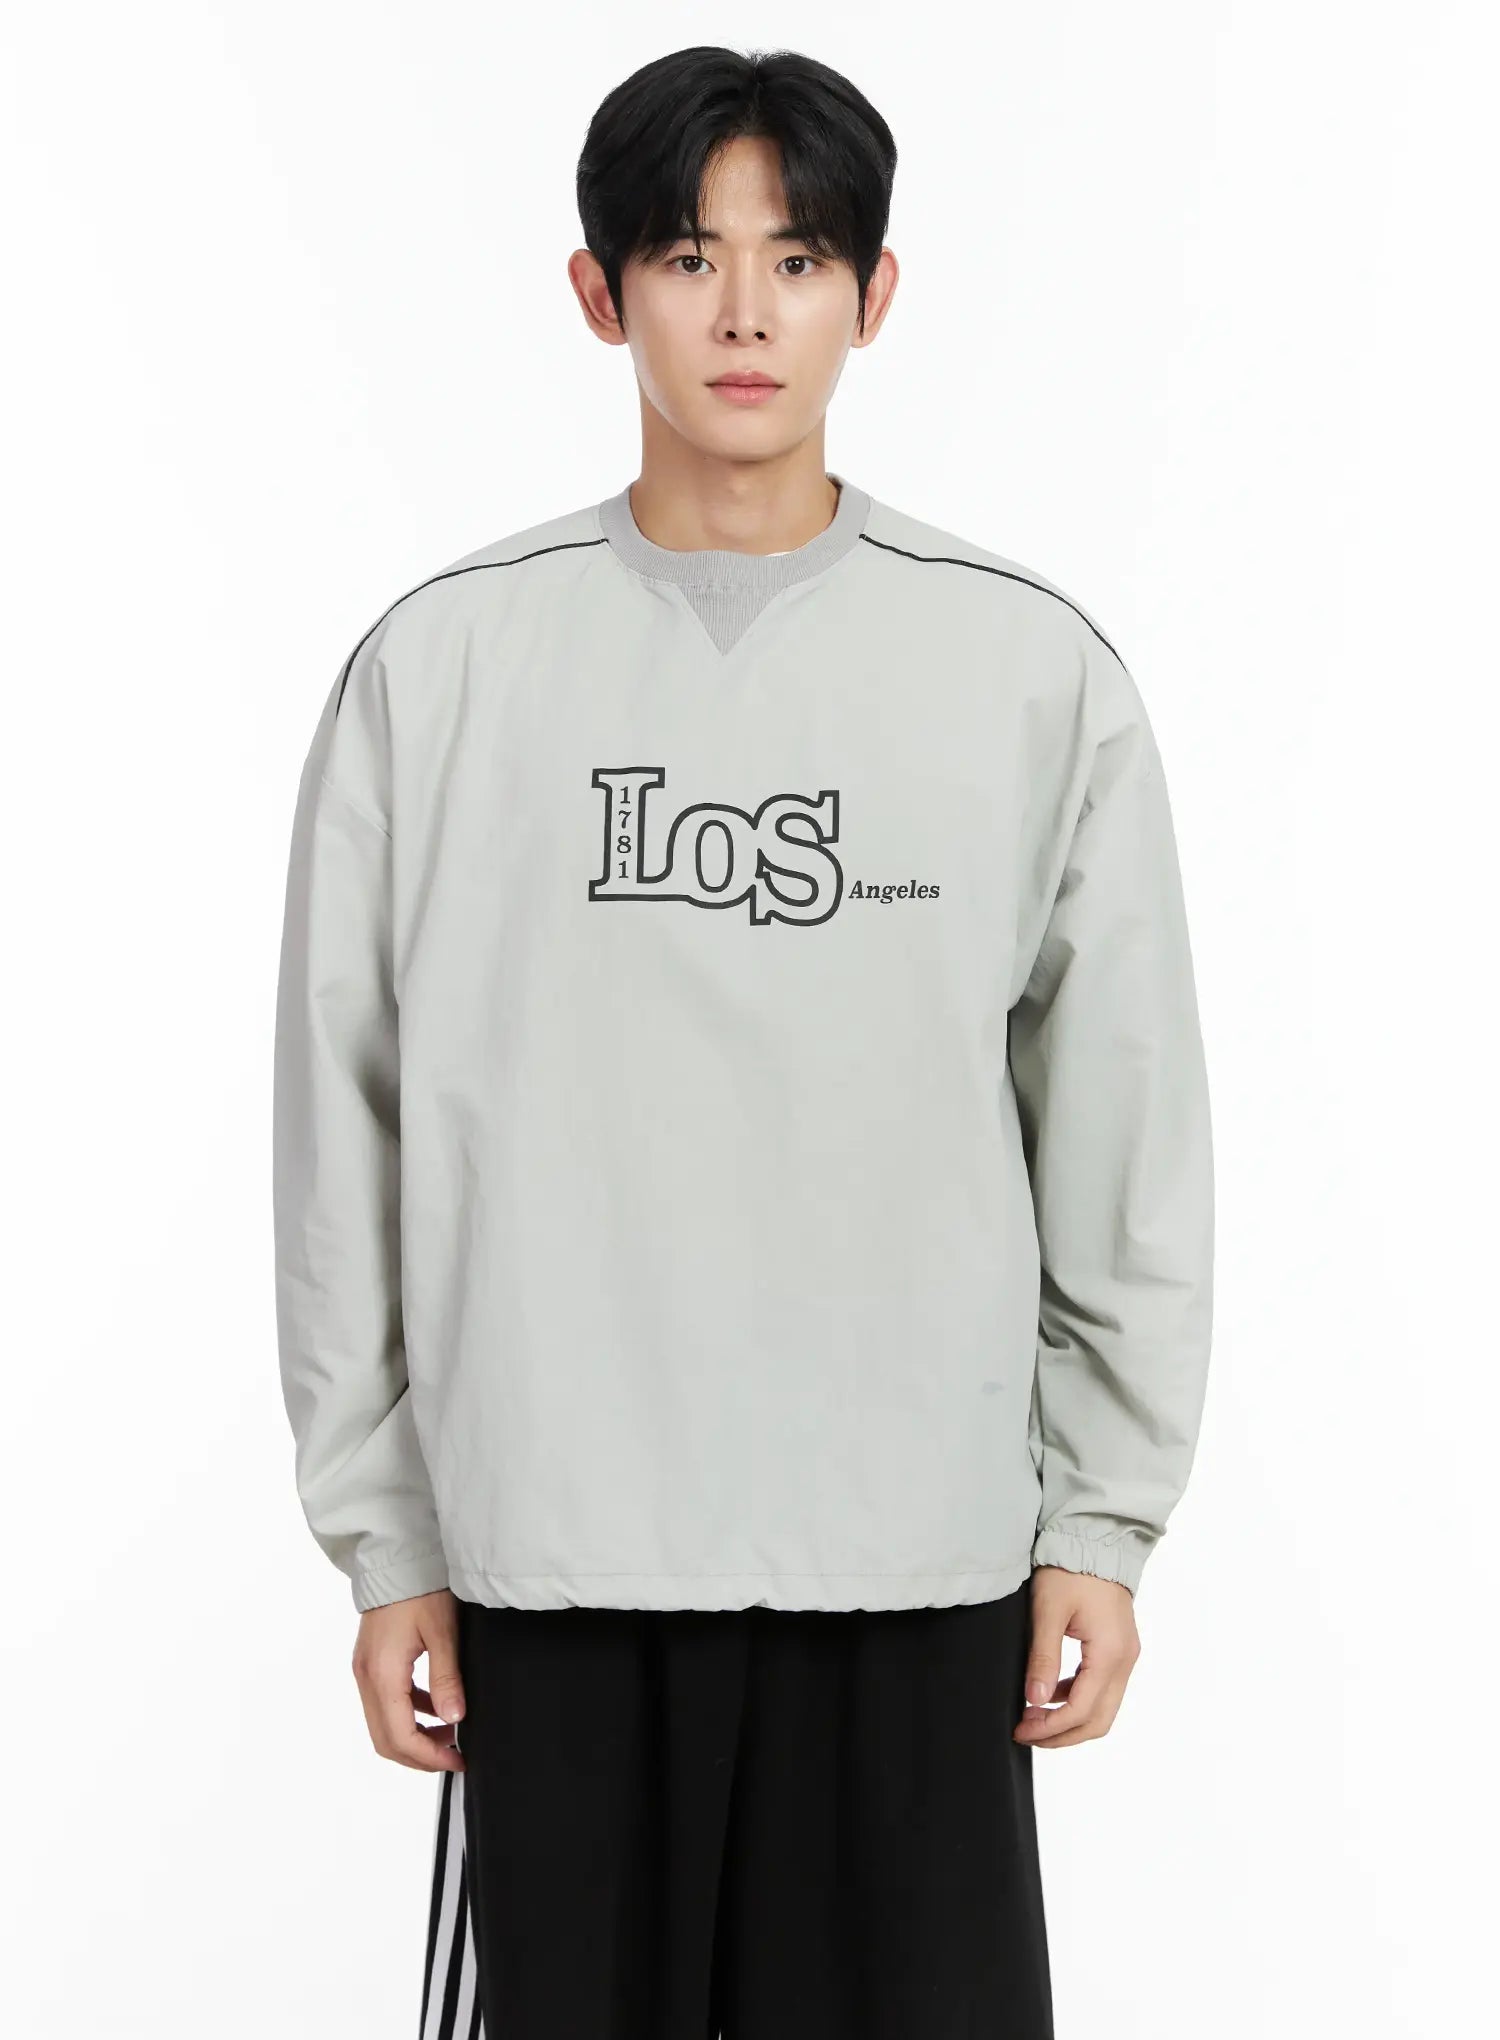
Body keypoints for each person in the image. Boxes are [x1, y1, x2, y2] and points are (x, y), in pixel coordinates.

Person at [272, 43, 1215, 2040]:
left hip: (917, 1559)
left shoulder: (1025, 672)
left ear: (876, 295)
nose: (744, 314)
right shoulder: (442, 672)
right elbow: (341, 1131)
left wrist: (1100, 1517)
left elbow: (1122, 1128)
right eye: (690, 258)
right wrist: (385, 1535)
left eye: (797, 260)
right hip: (553, 1557)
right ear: (599, 292)